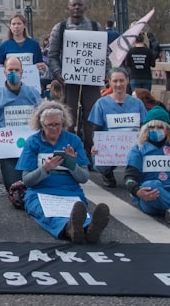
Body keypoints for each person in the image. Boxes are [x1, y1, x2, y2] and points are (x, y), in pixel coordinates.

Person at [16, 101, 111, 243]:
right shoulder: (32, 142)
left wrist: (72, 165)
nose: (54, 128)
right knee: (49, 214)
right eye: (50, 125)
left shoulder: (73, 140)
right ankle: (70, 229)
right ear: (42, 125)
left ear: (63, 123)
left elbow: (84, 178)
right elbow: (27, 180)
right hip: (41, 192)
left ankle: (89, 229)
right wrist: (45, 169)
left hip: (70, 192)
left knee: (78, 211)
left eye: (58, 124)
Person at [47, 0, 105, 155]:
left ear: (85, 8)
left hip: (91, 79)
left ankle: (90, 151)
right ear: (68, 9)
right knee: (68, 116)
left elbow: (104, 53)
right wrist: (58, 73)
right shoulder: (60, 28)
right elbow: (52, 55)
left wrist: (104, 72)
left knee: (92, 116)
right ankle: (68, 151)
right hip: (68, 79)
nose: (77, 8)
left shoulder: (95, 27)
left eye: (80, 5)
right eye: (74, 5)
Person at [0, 55, 42, 201]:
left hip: (31, 148)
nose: (13, 73)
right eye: (10, 70)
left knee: (36, 184)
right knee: (13, 186)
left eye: (16, 70)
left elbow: (42, 119)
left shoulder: (33, 94)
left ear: (22, 72)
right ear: (4, 72)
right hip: (8, 150)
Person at [89, 68, 147, 187]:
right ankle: (107, 173)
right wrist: (96, 144)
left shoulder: (137, 103)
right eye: (115, 81)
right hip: (110, 147)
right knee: (98, 161)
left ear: (127, 81)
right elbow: (96, 129)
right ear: (109, 82)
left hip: (133, 146)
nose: (118, 84)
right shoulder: (101, 103)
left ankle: (135, 174)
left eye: (121, 80)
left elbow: (144, 127)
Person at [0, 12, 46, 83]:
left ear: (24, 26)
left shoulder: (34, 45)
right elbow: (0, 67)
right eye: (13, 24)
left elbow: (40, 66)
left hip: (30, 84)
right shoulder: (4, 45)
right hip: (9, 85)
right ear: (10, 27)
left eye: (19, 23)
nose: (16, 26)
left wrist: (43, 68)